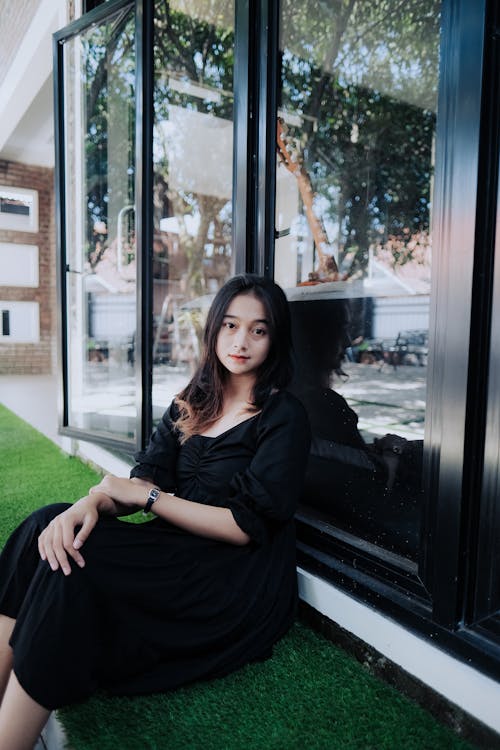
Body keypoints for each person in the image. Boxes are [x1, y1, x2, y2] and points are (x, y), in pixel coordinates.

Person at [0, 274, 311, 750]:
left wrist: (147, 500)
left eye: (258, 330)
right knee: (47, 524)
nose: (240, 342)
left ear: (275, 337)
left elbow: (244, 527)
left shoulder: (283, 415)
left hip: (228, 578)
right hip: (171, 549)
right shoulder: (193, 400)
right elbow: (142, 477)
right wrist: (91, 502)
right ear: (213, 330)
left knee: (74, 568)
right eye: (229, 325)